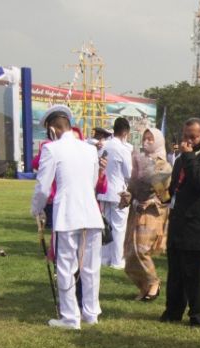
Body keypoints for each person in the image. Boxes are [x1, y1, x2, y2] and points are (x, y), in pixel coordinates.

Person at [30, 105, 103, 330]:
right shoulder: (90, 149)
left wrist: (37, 209)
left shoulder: (52, 149)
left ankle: (71, 317)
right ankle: (91, 313)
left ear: (52, 129)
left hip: (67, 214)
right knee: (90, 267)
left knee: (66, 266)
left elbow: (43, 187)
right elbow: (92, 183)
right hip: (90, 213)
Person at [160, 118, 200, 328]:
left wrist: (188, 156)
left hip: (197, 226)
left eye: (193, 137)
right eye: (186, 136)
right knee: (175, 273)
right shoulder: (180, 160)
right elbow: (175, 189)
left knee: (196, 276)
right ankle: (173, 311)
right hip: (178, 222)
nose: (188, 140)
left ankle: (198, 315)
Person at [121, 127, 173, 301]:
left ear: (158, 141)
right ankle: (144, 286)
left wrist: (153, 201)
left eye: (151, 139)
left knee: (142, 250)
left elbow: (165, 195)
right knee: (130, 254)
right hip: (136, 211)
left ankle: (154, 282)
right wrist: (127, 195)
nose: (147, 141)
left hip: (152, 213)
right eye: (145, 138)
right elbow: (133, 187)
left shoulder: (163, 164)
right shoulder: (138, 159)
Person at [99, 118, 134, 269]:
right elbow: (129, 173)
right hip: (119, 192)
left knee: (106, 226)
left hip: (104, 190)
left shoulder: (104, 145)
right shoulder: (123, 149)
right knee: (119, 227)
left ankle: (105, 258)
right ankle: (117, 260)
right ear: (125, 132)